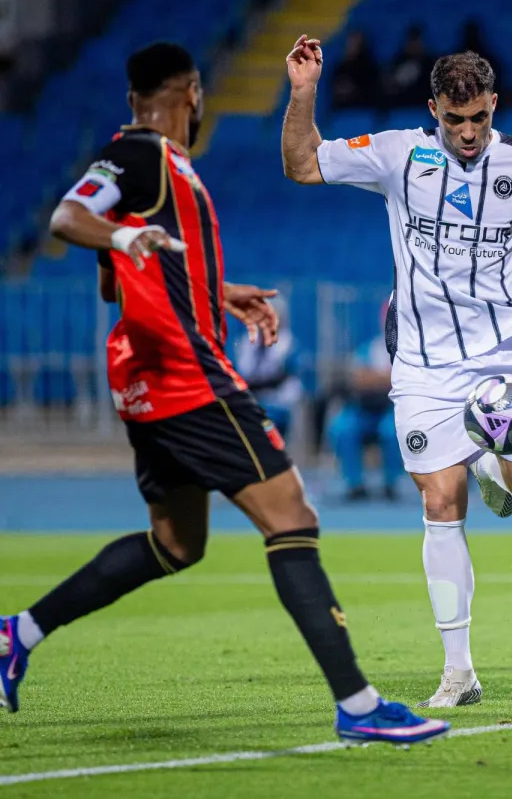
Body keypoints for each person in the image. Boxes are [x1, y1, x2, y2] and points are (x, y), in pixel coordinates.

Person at [0, 41, 448, 747]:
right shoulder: (142, 155)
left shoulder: (161, 167)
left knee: (176, 542)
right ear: (193, 94)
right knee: (292, 516)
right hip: (187, 376)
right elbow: (67, 218)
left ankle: (17, 633)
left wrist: (219, 292)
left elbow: (118, 282)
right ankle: (359, 704)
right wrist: (123, 237)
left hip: (144, 379)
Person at [282, 36, 512, 707]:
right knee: (438, 502)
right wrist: (304, 92)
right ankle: (459, 669)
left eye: (479, 117)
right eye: (455, 120)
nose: (469, 132)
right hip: (422, 362)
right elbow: (303, 164)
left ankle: (487, 457)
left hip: (502, 357)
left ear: (494, 106)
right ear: (434, 111)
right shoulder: (399, 155)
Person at [328, 334, 404, 501]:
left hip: (392, 409)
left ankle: (390, 483)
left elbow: (405, 380)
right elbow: (358, 379)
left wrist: (374, 378)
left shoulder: (409, 350)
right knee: (343, 429)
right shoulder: (368, 349)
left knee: (392, 431)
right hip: (362, 409)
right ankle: (355, 484)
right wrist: (386, 378)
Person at [233, 293, 302, 439]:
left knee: (265, 427)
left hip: (277, 403)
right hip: (250, 402)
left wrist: (254, 385)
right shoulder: (246, 343)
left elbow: (280, 377)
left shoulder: (288, 345)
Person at [385, 24, 436, 109]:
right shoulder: (398, 62)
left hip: (423, 107)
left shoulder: (430, 63)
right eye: (412, 41)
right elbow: (389, 86)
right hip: (401, 107)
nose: (414, 45)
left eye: (417, 41)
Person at [330, 30, 381, 111]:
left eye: (355, 43)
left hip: (363, 108)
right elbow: (335, 90)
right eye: (350, 43)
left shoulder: (369, 67)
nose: (351, 46)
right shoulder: (340, 68)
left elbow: (372, 90)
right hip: (342, 110)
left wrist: (353, 89)